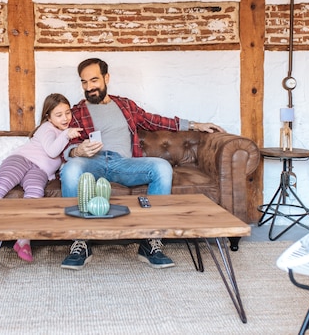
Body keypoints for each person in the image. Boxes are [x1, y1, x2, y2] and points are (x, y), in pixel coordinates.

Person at [59, 58, 225, 270]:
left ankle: (150, 242)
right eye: (84, 82)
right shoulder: (78, 111)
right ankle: (79, 240)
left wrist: (195, 125)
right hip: (93, 163)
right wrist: (77, 151)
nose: (89, 87)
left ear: (106, 78)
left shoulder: (126, 105)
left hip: (125, 164)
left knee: (162, 167)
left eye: (94, 80)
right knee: (71, 167)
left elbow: (156, 121)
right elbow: (68, 144)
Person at [0, 93, 82, 262]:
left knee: (35, 195)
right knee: (1, 186)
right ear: (48, 117)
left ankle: (23, 240)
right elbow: (52, 151)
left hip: (39, 171)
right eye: (59, 115)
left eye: (67, 113)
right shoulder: (47, 129)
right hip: (21, 160)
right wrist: (66, 135)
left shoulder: (69, 132)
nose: (65, 118)